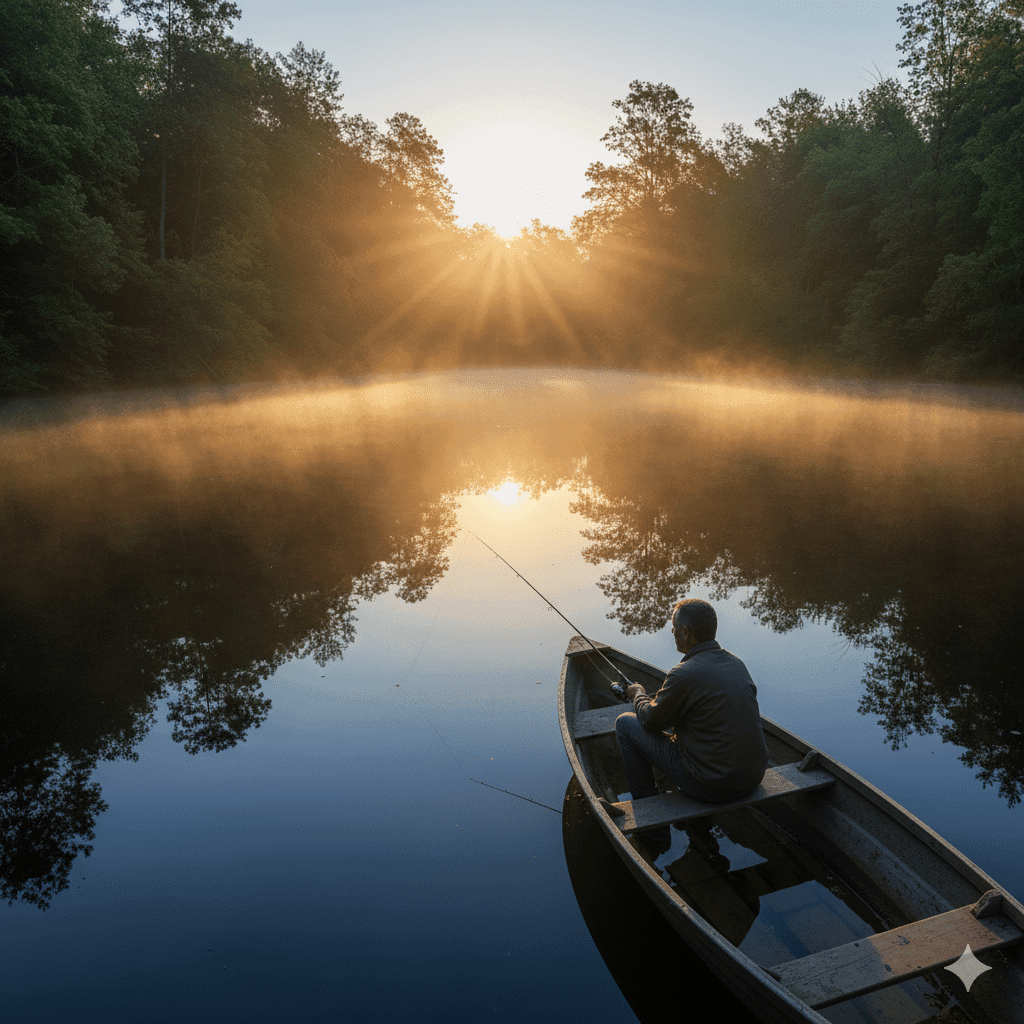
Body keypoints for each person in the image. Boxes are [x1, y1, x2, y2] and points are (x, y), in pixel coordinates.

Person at [614, 598, 769, 810]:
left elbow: (651, 720)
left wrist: (638, 694)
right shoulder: (736, 663)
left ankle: (647, 811)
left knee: (625, 723)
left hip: (710, 787)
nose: (672, 632)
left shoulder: (683, 674)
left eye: (674, 628)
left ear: (686, 632)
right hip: (753, 779)